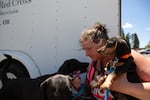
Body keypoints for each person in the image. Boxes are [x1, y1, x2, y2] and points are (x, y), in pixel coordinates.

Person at [72, 22, 150, 100]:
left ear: (102, 43)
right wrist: (79, 87)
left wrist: (122, 86)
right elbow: (89, 92)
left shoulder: (128, 57)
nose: (86, 54)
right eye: (85, 50)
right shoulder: (93, 66)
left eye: (89, 49)